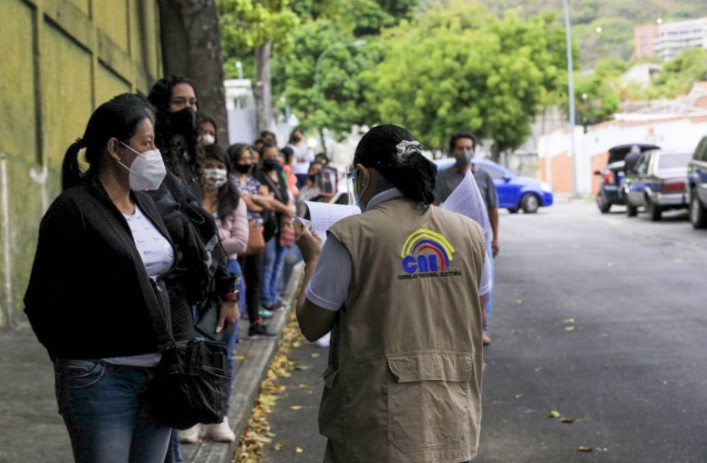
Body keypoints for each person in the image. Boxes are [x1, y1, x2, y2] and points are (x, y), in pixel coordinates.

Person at [294, 124, 488, 463]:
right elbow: (478, 311)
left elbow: (312, 325)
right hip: (452, 416)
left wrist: (312, 258)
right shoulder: (469, 231)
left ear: (362, 175)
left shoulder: (351, 235)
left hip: (375, 420)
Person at [24, 93, 181, 463]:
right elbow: (41, 301)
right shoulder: (73, 210)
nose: (154, 151)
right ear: (115, 148)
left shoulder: (144, 202)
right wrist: (77, 359)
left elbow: (165, 282)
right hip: (100, 381)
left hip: (159, 376)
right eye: (147, 143)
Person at [147, 76, 239, 461]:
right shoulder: (152, 162)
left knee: (183, 381)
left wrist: (226, 289)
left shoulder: (192, 160)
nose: (190, 110)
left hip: (190, 292)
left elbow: (205, 231)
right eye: (179, 103)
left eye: (194, 102)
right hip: (160, 294)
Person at [179, 144, 249, 444]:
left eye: (220, 165)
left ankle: (218, 416)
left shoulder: (235, 202)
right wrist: (219, 240)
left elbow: (241, 243)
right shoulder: (186, 199)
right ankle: (191, 417)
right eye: (209, 164)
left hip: (228, 284)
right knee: (189, 353)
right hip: (190, 284)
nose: (215, 171)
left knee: (222, 353)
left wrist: (203, 240)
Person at [435, 132, 498, 346]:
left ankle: (481, 328)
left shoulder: (484, 176)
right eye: (461, 148)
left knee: (485, 284)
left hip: (482, 237)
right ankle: (457, 328)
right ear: (452, 151)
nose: (465, 152)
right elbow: (434, 207)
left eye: (469, 148)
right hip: (453, 239)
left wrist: (496, 238)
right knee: (456, 281)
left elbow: (493, 208)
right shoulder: (442, 177)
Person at [228, 143, 278, 338]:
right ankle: (234, 326)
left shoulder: (251, 180)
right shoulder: (230, 181)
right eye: (244, 158)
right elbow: (253, 204)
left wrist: (254, 200)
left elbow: (269, 201)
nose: (248, 162)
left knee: (255, 278)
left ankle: (255, 322)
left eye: (250, 158)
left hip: (257, 234)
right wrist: (256, 201)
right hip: (239, 235)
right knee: (238, 280)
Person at [257, 143, 296, 312]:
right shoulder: (259, 176)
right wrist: (286, 209)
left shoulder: (280, 174)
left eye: (276, 156)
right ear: (262, 157)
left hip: (282, 225)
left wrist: (287, 210)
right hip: (269, 225)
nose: (273, 159)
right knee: (268, 262)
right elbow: (267, 201)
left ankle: (273, 296)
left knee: (279, 262)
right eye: (269, 156)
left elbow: (284, 196)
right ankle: (265, 299)